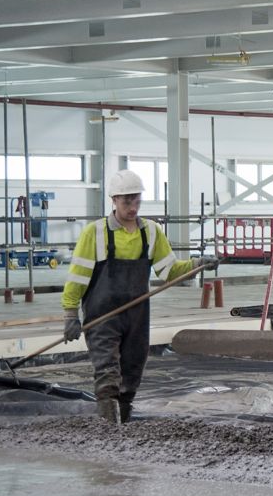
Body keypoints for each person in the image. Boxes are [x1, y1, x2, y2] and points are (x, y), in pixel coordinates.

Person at [62, 169, 216, 423]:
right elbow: (78, 277)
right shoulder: (95, 233)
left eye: (137, 201)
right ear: (114, 200)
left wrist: (197, 264)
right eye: (127, 201)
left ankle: (124, 420)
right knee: (107, 372)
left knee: (132, 373)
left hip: (136, 317)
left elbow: (169, 271)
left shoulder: (151, 232)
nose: (133, 207)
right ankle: (109, 430)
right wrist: (70, 314)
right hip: (103, 317)